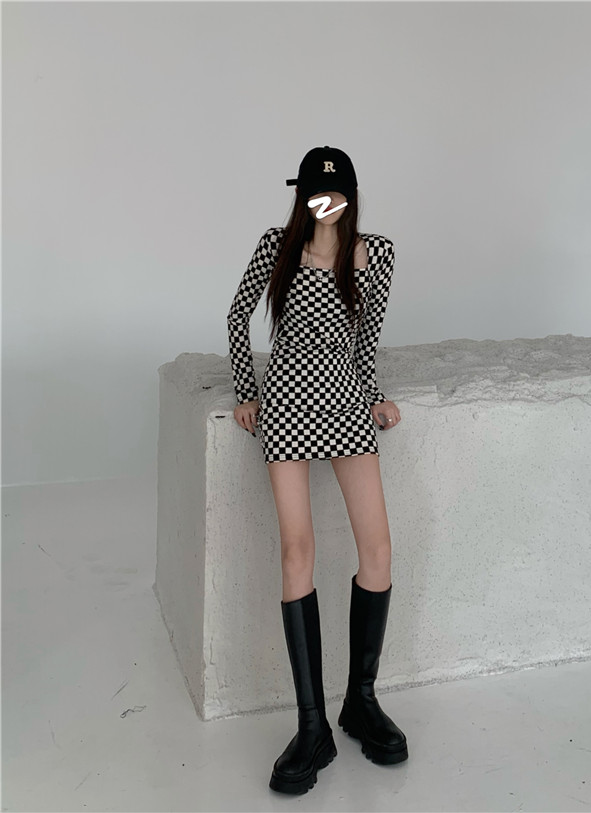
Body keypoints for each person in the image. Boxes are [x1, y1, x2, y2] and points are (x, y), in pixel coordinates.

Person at [226, 146, 408, 795]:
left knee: (377, 548)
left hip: (345, 403)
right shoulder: (277, 246)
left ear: (351, 195)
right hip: (286, 403)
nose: (324, 203)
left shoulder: (376, 253)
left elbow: (367, 339)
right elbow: (238, 315)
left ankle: (361, 701)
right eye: (313, 192)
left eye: (334, 192)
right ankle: (312, 728)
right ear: (300, 195)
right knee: (296, 550)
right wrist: (247, 391)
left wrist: (373, 394)